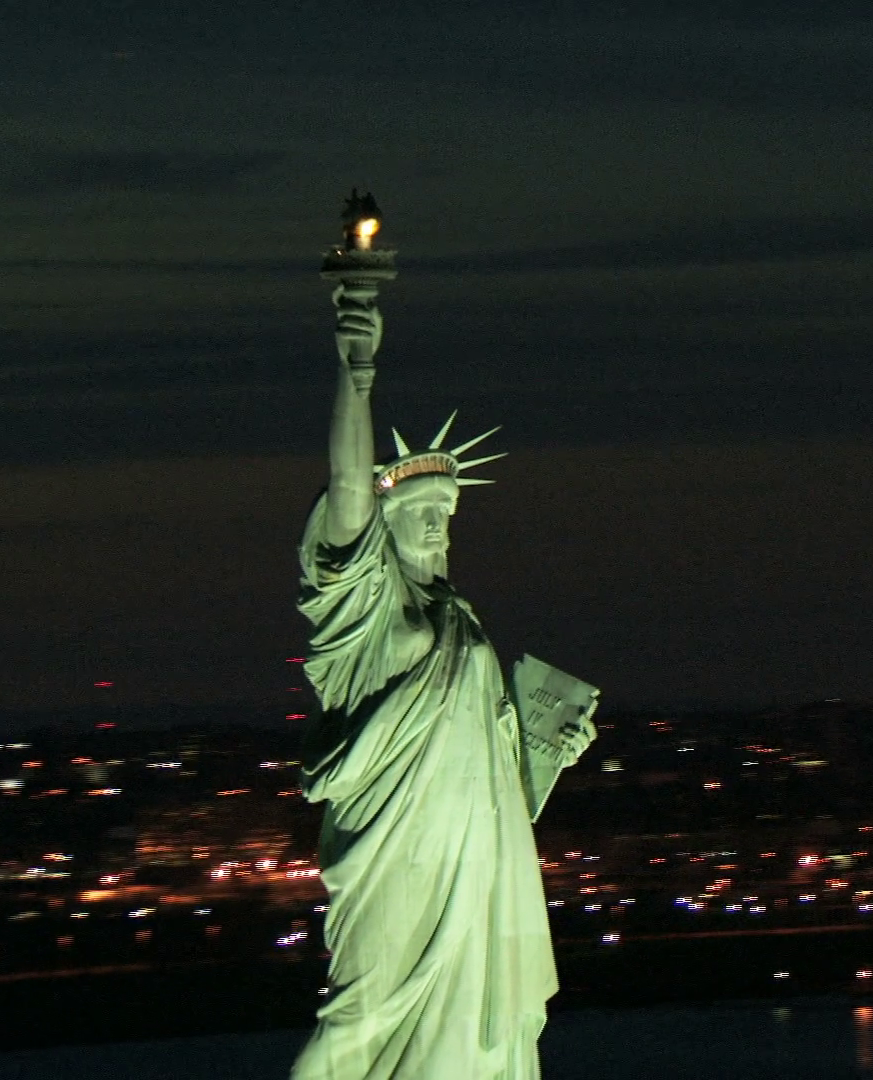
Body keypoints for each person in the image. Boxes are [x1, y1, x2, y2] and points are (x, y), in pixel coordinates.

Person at [289, 282, 593, 1079]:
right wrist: (357, 371)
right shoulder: (366, 612)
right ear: (380, 529)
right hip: (394, 859)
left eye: (446, 511)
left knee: (466, 1043)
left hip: (471, 864)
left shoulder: (465, 625)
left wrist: (548, 749)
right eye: (419, 511)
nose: (437, 523)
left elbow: (495, 783)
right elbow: (348, 488)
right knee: (358, 1021)